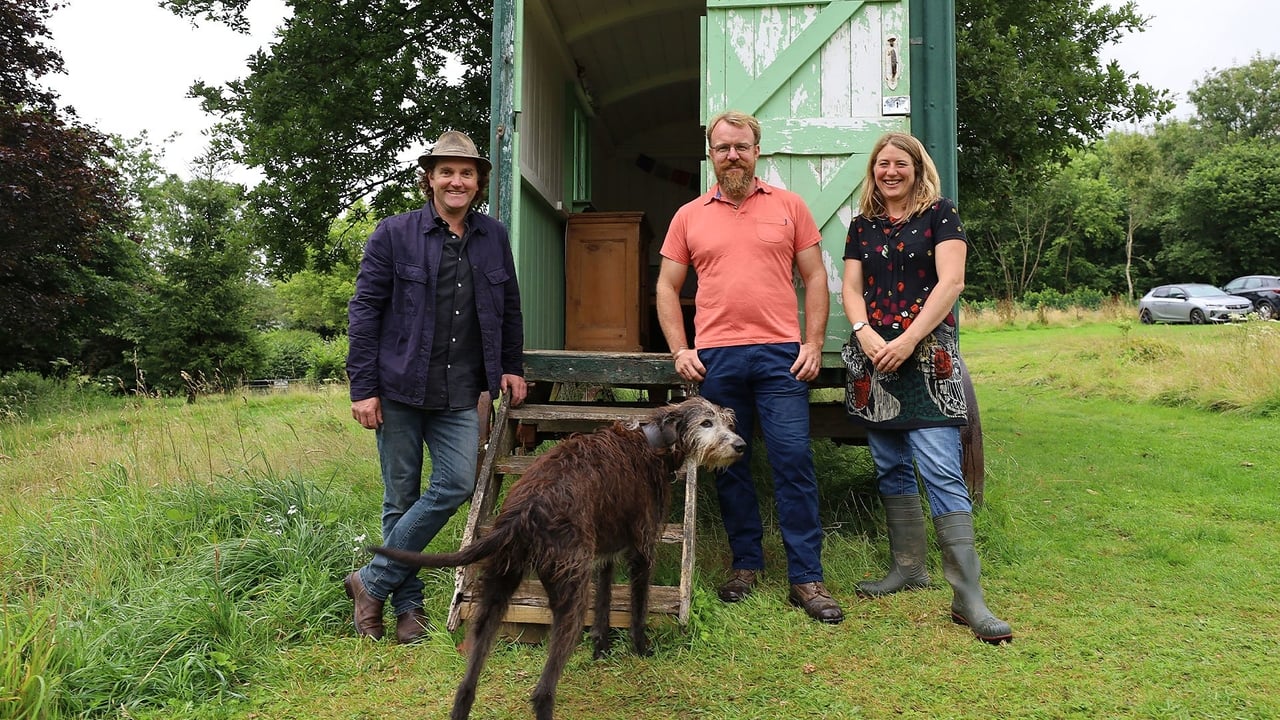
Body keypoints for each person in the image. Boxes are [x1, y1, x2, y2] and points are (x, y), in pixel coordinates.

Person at [655, 110, 842, 624]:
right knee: (729, 467)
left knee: (793, 461)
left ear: (757, 151)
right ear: (710, 155)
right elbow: (667, 288)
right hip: (716, 359)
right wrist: (680, 350)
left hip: (781, 354)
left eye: (741, 147)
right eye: (722, 148)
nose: (732, 155)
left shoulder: (789, 207)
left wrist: (814, 342)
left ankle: (807, 578)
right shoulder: (689, 215)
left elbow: (814, 279)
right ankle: (746, 565)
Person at [344, 130, 527, 644]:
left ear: (478, 182)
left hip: (460, 392)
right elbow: (364, 312)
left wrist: (510, 365)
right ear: (429, 179)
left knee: (455, 485)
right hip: (398, 387)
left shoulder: (494, 237)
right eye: (446, 171)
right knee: (399, 498)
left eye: (466, 172)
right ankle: (408, 608)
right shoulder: (393, 234)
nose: (456, 180)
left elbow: (508, 308)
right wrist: (363, 387)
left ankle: (370, 581)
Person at [840, 131, 1012, 644]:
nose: (890, 172)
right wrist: (866, 335)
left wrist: (908, 339)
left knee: (939, 468)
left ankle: (968, 597)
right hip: (873, 360)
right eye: (882, 165)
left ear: (917, 168)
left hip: (928, 357)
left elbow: (951, 282)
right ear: (873, 171)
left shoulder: (942, 214)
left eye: (900, 164)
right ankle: (908, 568)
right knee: (890, 463)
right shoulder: (861, 225)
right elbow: (851, 288)